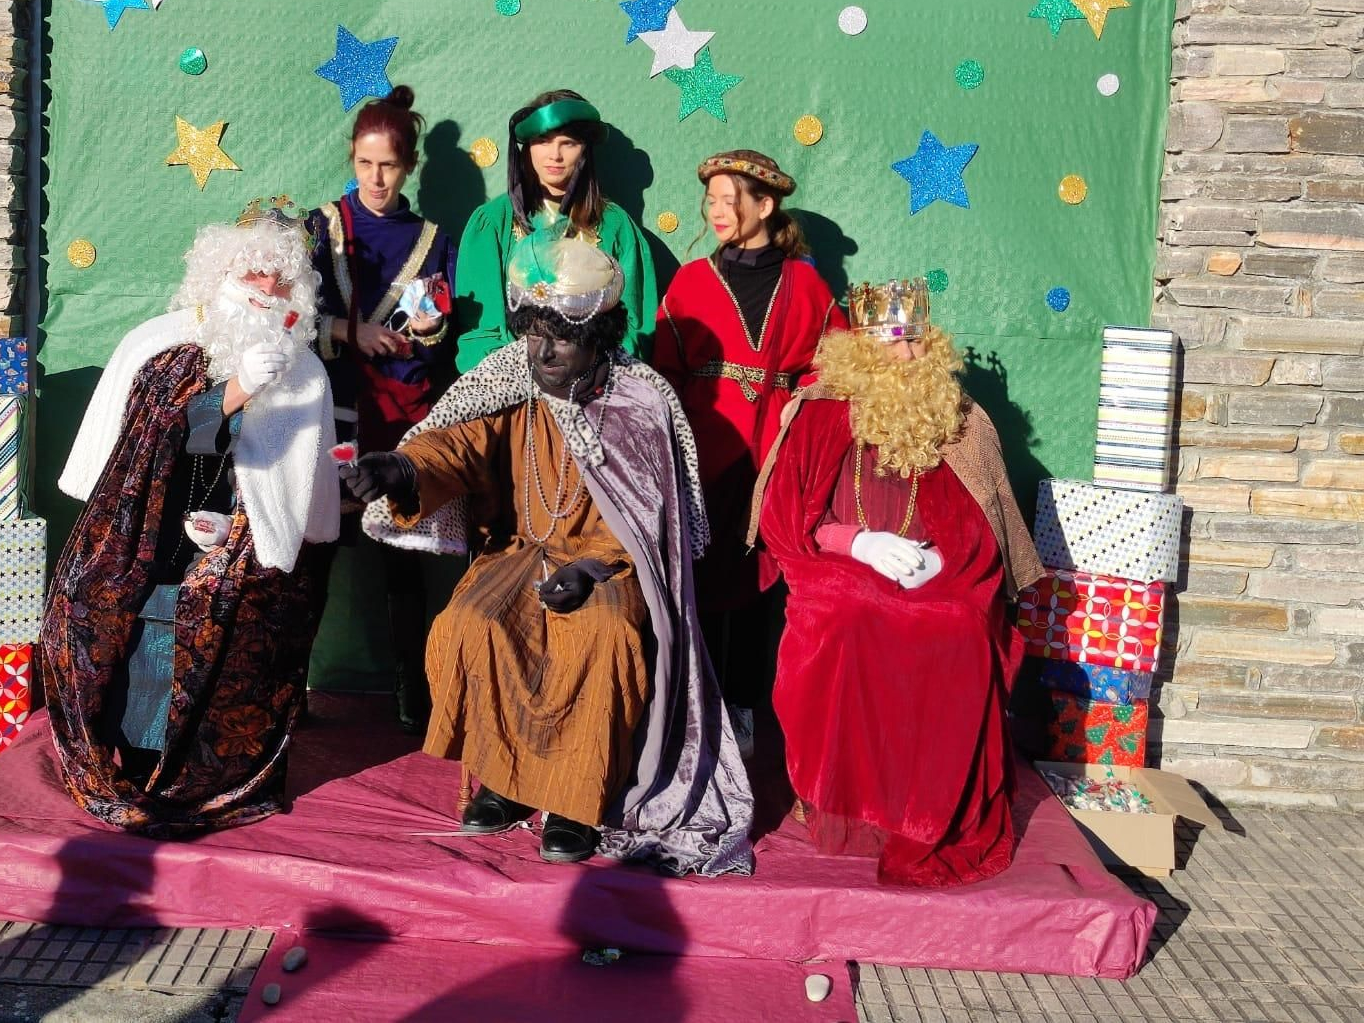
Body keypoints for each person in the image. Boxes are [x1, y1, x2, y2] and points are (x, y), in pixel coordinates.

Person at [348, 236, 753, 875]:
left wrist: (590, 569)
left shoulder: (642, 400)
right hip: (520, 550)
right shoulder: (511, 382)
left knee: (601, 632)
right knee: (473, 622)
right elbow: (459, 445)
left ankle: (575, 801)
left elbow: (654, 524)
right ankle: (507, 782)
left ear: (601, 336)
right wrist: (402, 468)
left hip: (613, 565)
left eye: (561, 339)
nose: (542, 353)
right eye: (533, 335)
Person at [43, 199, 341, 837]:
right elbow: (158, 439)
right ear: (219, 273)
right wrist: (234, 394)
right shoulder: (163, 345)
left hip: (243, 542)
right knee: (137, 615)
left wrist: (269, 531)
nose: (265, 288)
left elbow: (302, 491)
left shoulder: (307, 369)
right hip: (155, 534)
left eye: (279, 277)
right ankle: (146, 763)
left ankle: (222, 773)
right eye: (251, 273)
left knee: (256, 602)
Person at [750, 278, 1044, 887]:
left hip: (936, 574)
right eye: (889, 342)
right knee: (847, 618)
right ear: (859, 348)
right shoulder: (820, 410)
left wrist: (942, 559)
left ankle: (923, 813)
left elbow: (982, 528)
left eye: (913, 340)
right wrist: (856, 542)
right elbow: (785, 518)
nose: (904, 356)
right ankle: (848, 808)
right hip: (837, 569)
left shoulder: (962, 421)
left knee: (960, 626)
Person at [652, 150, 845, 757]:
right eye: (710, 201)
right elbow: (665, 370)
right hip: (705, 454)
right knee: (702, 583)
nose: (717, 211)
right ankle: (695, 709)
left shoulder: (807, 284)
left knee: (765, 588)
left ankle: (745, 709)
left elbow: (832, 363)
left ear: (764, 206)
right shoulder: (688, 281)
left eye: (729, 199)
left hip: (775, 457)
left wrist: (802, 398)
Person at [303, 86, 456, 732]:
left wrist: (419, 333)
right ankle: (288, 691)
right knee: (315, 552)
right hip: (332, 420)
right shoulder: (320, 228)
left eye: (388, 165)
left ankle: (412, 703)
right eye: (364, 163)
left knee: (403, 562)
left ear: (409, 166)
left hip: (400, 424)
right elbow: (282, 320)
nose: (375, 178)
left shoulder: (432, 240)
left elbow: (437, 325)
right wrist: (347, 331)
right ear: (351, 158)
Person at [452, 89, 656, 372]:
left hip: (595, 385)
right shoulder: (492, 222)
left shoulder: (615, 225)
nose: (555, 155)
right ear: (527, 148)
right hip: (511, 385)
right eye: (543, 141)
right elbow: (480, 331)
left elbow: (635, 327)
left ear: (585, 149)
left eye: (568, 143)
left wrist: (591, 377)